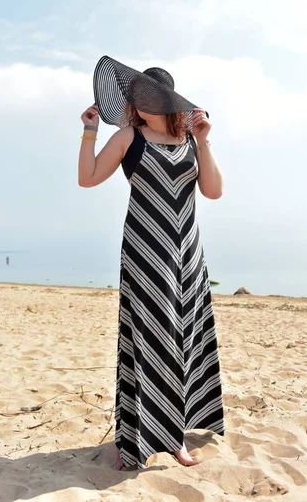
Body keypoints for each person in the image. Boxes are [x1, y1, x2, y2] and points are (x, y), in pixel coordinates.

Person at [78, 56, 225, 471]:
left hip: (188, 254)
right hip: (146, 253)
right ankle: (140, 440)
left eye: (150, 95)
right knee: (151, 340)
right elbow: (88, 178)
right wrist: (90, 131)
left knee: (184, 338)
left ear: (168, 100)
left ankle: (175, 436)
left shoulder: (192, 139)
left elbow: (213, 191)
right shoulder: (129, 136)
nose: (142, 103)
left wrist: (204, 138)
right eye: (136, 95)